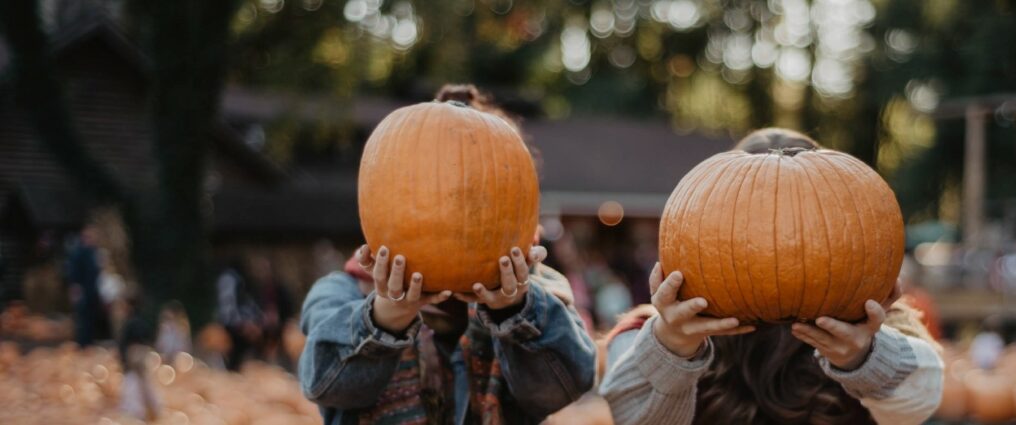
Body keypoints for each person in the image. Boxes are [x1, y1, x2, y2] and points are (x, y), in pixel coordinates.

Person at [599, 128, 944, 425]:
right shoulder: (642, 337)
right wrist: (671, 348)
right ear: (709, 226)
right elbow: (631, 417)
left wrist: (863, 358)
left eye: (804, 223)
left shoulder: (872, 332)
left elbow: (919, 407)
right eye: (752, 221)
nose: (776, 243)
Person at [298, 84, 595, 425]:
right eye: (433, 192)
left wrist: (514, 310)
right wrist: (385, 319)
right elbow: (323, 384)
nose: (457, 215)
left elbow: (565, 386)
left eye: (486, 197)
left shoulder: (540, 298)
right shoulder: (342, 293)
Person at [65, 223, 108, 346]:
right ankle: (82, 344)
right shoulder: (78, 253)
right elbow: (74, 274)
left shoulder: (95, 252)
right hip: (82, 291)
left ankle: (89, 342)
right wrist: (74, 289)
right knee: (82, 319)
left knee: (91, 318)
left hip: (92, 290)